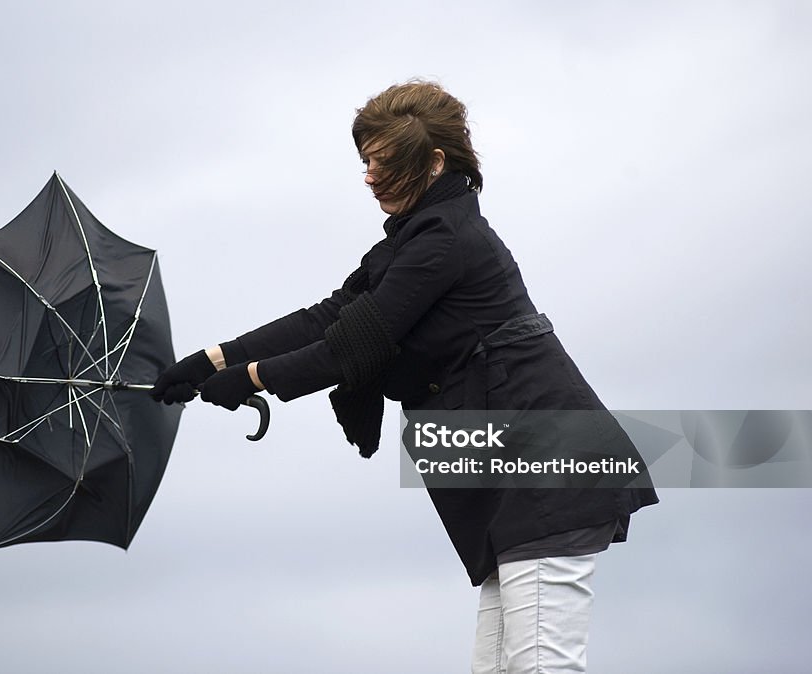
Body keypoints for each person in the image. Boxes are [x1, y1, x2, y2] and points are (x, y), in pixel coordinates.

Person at [150, 80, 658, 673]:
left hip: (548, 469)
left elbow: (352, 346)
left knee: (541, 666)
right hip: (508, 476)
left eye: (382, 161)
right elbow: (330, 316)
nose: (368, 176)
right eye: (364, 161)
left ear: (435, 162)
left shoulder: (446, 241)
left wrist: (252, 379)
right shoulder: (413, 242)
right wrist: (213, 360)